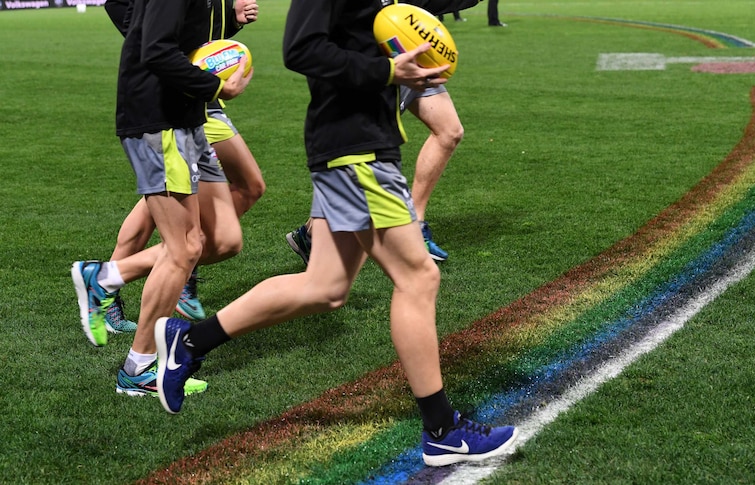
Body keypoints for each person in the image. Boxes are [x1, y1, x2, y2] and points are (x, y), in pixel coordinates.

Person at [155, 0, 518, 468]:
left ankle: (189, 342)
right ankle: (443, 430)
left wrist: (403, 65)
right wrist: (389, 71)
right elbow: (301, 49)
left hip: (358, 145)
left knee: (324, 287)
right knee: (418, 278)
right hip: (356, 150)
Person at [72, 0, 253, 397]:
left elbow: (177, 33)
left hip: (187, 116)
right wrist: (217, 85)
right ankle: (138, 370)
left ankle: (105, 277)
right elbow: (154, 48)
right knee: (185, 247)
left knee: (223, 239)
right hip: (160, 121)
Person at [100, 0, 265, 331]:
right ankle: (114, 289)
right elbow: (149, 35)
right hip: (176, 97)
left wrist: (231, 20)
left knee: (216, 224)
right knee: (179, 228)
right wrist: (149, 39)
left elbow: (191, 30)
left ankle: (113, 280)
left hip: (195, 97)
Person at [286, 83, 462, 264]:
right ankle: (312, 234)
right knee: (359, 148)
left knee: (450, 131)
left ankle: (416, 224)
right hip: (390, 64)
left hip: (419, 59)